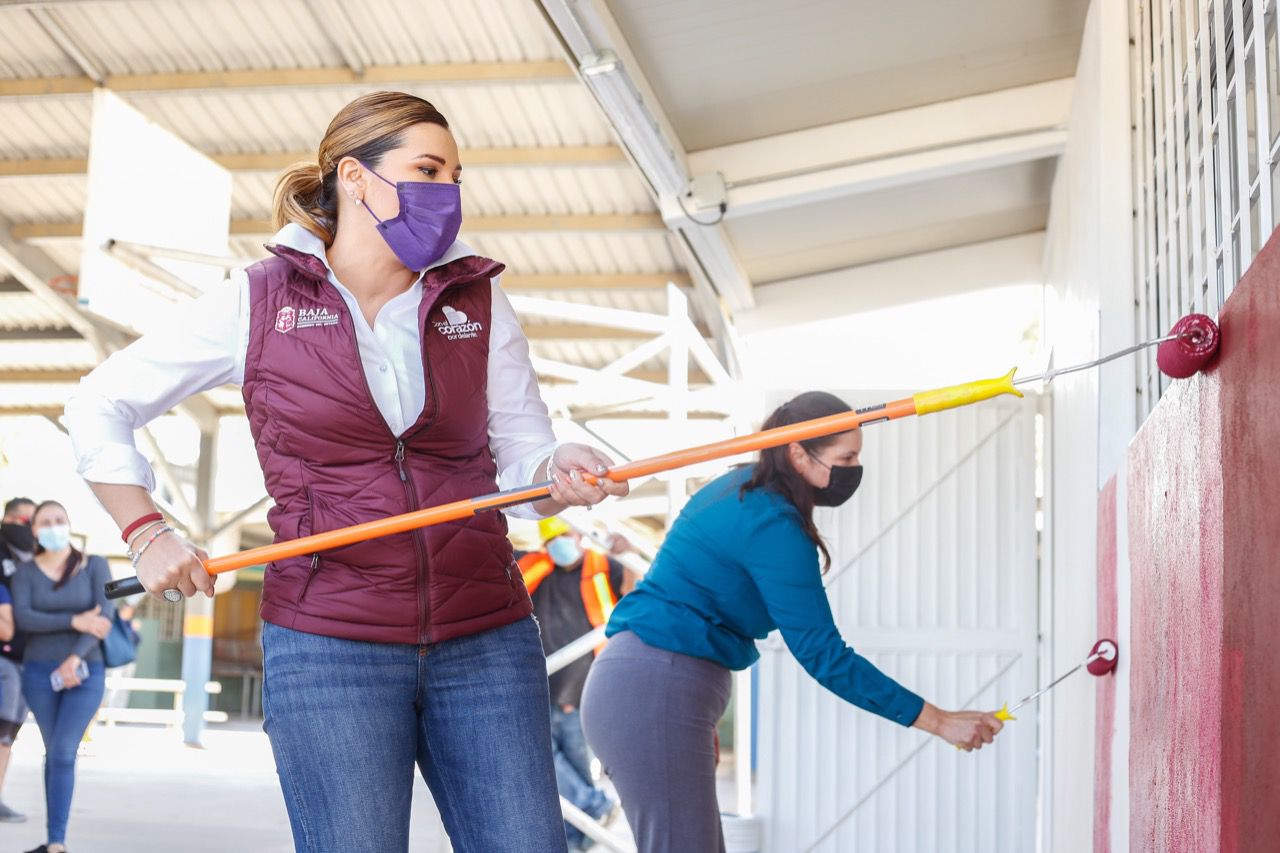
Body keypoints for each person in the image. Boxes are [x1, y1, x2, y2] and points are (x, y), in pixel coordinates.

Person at [62, 90, 628, 853]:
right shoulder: (256, 300)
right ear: (355, 178)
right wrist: (144, 529)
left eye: (456, 174)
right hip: (330, 644)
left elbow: (524, 453)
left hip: (484, 636)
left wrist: (560, 463)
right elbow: (100, 401)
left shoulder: (480, 299)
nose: (448, 192)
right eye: (427, 168)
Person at [580, 392, 1007, 853]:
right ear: (798, 452)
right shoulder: (771, 525)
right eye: (846, 457)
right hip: (656, 688)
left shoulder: (739, 488)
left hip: (654, 687)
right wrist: (939, 721)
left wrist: (693, 717)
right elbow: (824, 655)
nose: (854, 468)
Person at [517, 517, 637, 851]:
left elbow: (633, 592)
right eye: (553, 539)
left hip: (583, 694)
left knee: (575, 776)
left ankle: (577, 840)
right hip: (541, 692)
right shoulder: (534, 569)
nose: (560, 544)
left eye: (565, 535)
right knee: (541, 763)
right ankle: (594, 805)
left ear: (579, 535)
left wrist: (628, 553)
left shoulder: (604, 568)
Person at [11, 500, 115, 853]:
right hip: (39, 673)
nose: (54, 526)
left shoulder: (94, 566)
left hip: (86, 671)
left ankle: (57, 843)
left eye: (59, 519)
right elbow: (24, 618)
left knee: (62, 750)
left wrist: (74, 657)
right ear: (35, 530)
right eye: (45, 522)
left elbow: (104, 617)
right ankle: (55, 840)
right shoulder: (25, 573)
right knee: (53, 753)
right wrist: (73, 620)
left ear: (69, 523)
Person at [0, 496, 35, 823]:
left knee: (8, 733)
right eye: (28, 521)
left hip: (26, 658)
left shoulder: (32, 555)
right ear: (11, 519)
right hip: (5, 659)